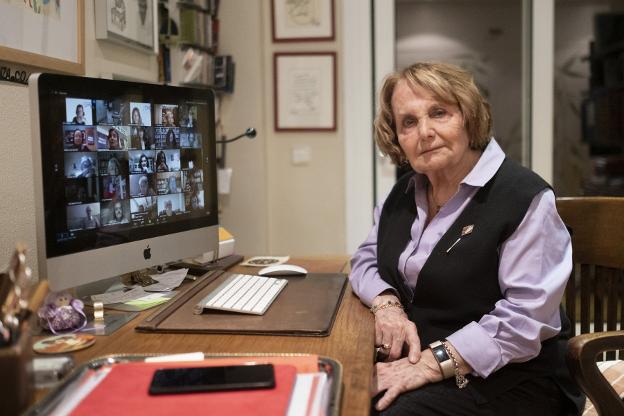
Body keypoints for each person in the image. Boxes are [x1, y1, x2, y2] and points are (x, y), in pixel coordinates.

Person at [350, 62, 584, 415]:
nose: (424, 131)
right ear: (396, 136)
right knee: (335, 388)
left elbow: (524, 321)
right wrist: (387, 306)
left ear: (468, 116)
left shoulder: (524, 198)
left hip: (515, 377)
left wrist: (428, 364)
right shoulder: (403, 193)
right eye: (408, 122)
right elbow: (367, 259)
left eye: (438, 113)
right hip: (427, 363)